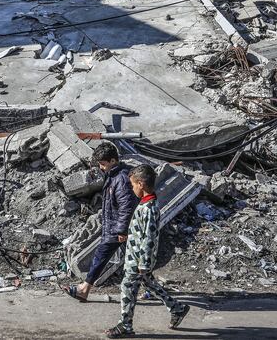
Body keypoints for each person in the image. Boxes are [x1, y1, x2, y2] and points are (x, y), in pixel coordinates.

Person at [105, 164, 190, 338]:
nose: (132, 188)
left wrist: (144, 262)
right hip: (136, 257)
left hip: (138, 260)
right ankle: (177, 308)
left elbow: (149, 237)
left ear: (141, 184)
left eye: (133, 185)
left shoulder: (149, 208)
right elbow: (141, 233)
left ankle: (125, 325)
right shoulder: (145, 205)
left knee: (127, 287)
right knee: (150, 283)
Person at [64, 142, 138, 302]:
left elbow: (127, 206)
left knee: (101, 256)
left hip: (118, 228)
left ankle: (84, 289)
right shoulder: (114, 176)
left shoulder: (121, 178)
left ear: (113, 161)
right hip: (115, 226)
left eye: (103, 164)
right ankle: (153, 290)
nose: (101, 167)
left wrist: (121, 230)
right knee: (134, 261)